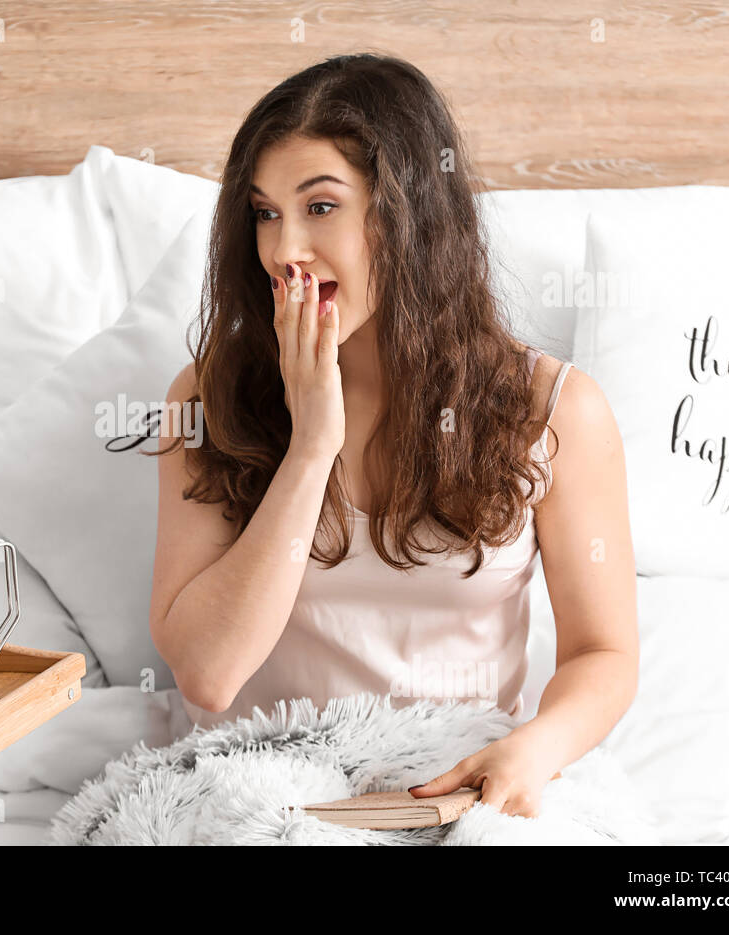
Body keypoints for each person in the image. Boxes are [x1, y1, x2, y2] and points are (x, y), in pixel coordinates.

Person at [148, 53, 639, 819]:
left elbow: (602, 652)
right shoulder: (207, 400)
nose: (283, 252)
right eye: (264, 212)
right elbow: (209, 675)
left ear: (408, 214)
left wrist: (535, 746)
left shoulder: (554, 410)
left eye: (319, 207)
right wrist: (311, 446)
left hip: (452, 782)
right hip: (261, 793)